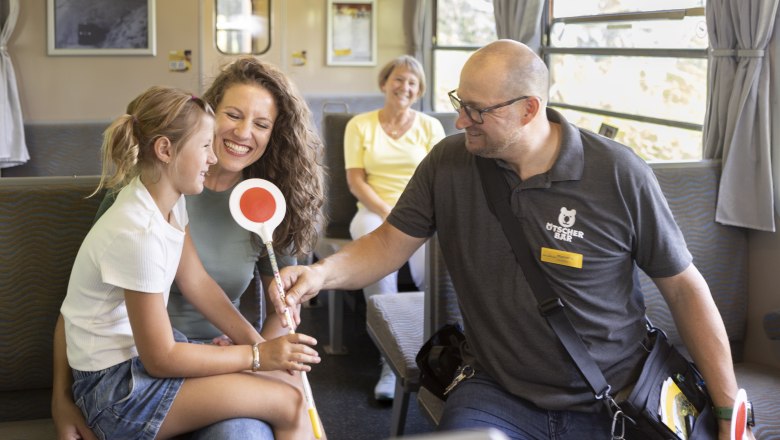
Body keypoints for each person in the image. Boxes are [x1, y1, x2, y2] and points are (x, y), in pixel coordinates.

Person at [269, 40, 756, 440]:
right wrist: (320, 274)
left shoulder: (618, 173)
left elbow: (685, 289)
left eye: (477, 112)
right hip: (497, 390)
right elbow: (386, 244)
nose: (461, 121)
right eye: (461, 104)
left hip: (617, 393)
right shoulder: (450, 162)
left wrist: (727, 410)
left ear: (528, 110)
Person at [52, 58, 326, 440]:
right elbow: (153, 353)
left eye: (262, 124)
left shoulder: (170, 199)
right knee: (290, 403)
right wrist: (259, 357)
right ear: (167, 149)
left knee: (286, 395)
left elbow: (197, 281)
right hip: (126, 384)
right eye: (207, 142)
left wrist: (261, 349)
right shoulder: (138, 227)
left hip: (177, 357)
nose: (214, 156)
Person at [344, 55, 445, 400]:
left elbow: (440, 180)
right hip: (374, 211)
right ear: (385, 82)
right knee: (377, 263)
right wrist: (389, 212)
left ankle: (435, 354)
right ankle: (390, 361)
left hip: (423, 213)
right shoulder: (359, 124)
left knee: (433, 272)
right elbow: (356, 181)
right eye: (399, 79)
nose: (404, 87)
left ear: (419, 91)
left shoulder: (431, 127)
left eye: (412, 83)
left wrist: (415, 216)